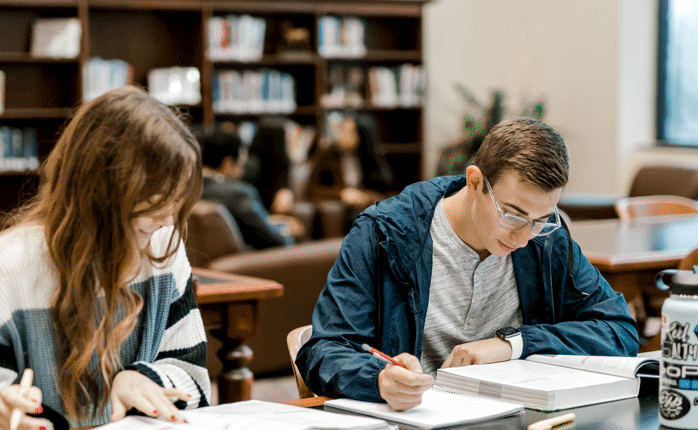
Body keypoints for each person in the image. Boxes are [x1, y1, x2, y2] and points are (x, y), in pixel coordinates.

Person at [0, 86, 211, 430]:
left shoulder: (163, 249)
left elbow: (195, 381)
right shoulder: (0, 271)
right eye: (155, 197)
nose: (168, 218)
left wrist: (146, 380)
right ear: (99, 192)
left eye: (176, 199)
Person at [295, 117, 638, 410]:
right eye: (512, 215)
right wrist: (380, 379)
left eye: (541, 219)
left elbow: (619, 330)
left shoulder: (546, 240)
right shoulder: (384, 234)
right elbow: (324, 349)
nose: (523, 238)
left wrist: (511, 344)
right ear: (475, 181)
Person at [197, 126, 300, 248]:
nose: (242, 172)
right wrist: (285, 229)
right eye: (242, 164)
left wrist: (271, 222)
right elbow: (276, 241)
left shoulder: (187, 190)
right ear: (228, 163)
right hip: (251, 262)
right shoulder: (239, 194)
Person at [306, 111, 395, 219]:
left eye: (351, 132)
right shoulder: (327, 154)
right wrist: (341, 194)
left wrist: (366, 196)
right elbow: (312, 190)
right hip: (340, 207)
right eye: (342, 131)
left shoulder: (365, 155)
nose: (346, 137)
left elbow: (379, 185)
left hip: (363, 205)